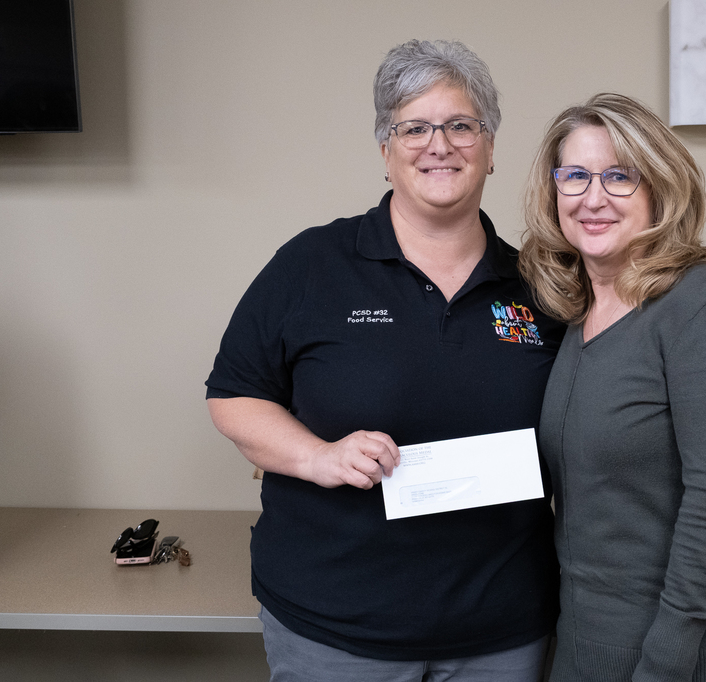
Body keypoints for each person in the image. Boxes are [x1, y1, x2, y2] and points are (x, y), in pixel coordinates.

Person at [205, 40, 565, 682]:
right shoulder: (312, 264)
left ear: (490, 148)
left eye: (461, 126)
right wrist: (318, 456)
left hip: (501, 630)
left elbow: (586, 425)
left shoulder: (541, 285)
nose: (439, 145)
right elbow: (234, 396)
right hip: (335, 626)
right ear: (385, 150)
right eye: (414, 128)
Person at [518, 93, 706, 682]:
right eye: (575, 176)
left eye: (619, 176)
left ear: (658, 191)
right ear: (553, 192)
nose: (593, 197)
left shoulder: (699, 307)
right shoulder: (571, 314)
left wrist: (664, 665)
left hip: (699, 651)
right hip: (592, 641)